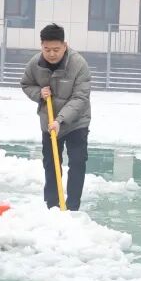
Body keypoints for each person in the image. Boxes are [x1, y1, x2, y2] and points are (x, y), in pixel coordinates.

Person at [21, 24, 92, 211]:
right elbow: (26, 84)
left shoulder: (79, 64)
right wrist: (39, 93)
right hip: (48, 122)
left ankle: (73, 207)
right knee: (51, 164)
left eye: (56, 49)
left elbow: (80, 97)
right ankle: (52, 206)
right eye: (47, 49)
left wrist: (60, 120)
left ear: (65, 45)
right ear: (41, 46)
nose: (51, 54)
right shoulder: (35, 63)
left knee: (77, 161)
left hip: (76, 121)